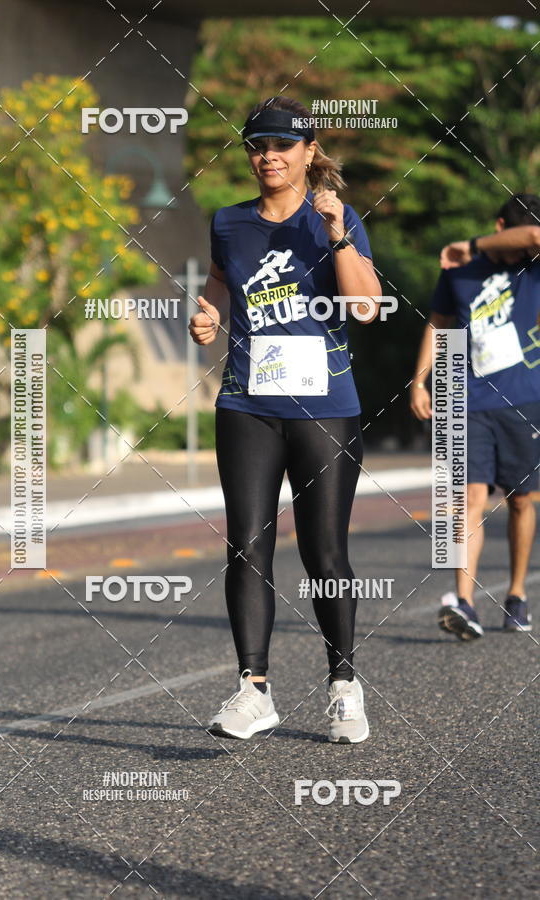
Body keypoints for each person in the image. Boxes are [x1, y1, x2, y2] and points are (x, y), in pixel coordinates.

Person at [188, 96, 381, 742]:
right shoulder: (229, 222)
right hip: (247, 403)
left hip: (325, 409)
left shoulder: (336, 217)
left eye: (281, 146)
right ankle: (254, 689)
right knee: (246, 542)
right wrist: (208, 315)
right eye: (256, 146)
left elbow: (367, 308)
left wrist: (336, 234)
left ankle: (344, 686)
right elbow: (220, 284)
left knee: (325, 551)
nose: (267, 156)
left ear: (307, 153)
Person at [411, 193, 540, 640]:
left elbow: (538, 236)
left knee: (522, 500)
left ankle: (517, 592)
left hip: (525, 399)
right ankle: (464, 602)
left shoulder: (532, 263)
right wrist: (420, 379)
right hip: (461, 395)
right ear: (500, 223)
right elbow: (439, 322)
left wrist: (478, 242)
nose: (523, 251)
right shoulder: (460, 269)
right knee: (465, 499)